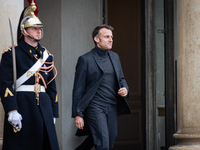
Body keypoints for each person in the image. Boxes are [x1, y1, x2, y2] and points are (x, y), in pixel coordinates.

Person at [0, 0, 59, 149]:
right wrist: (12, 110)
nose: (39, 31)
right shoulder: (12, 54)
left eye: (40, 28)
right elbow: (5, 84)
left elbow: (52, 86)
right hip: (23, 105)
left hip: (44, 106)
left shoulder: (47, 56)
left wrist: (54, 111)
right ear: (24, 31)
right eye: (34, 28)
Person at [72, 24, 131, 150]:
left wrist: (125, 89)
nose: (111, 40)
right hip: (95, 106)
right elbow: (78, 88)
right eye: (107, 37)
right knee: (102, 142)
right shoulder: (85, 59)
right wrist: (78, 114)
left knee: (111, 138)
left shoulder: (115, 57)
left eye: (111, 37)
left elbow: (121, 79)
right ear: (96, 39)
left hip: (112, 106)